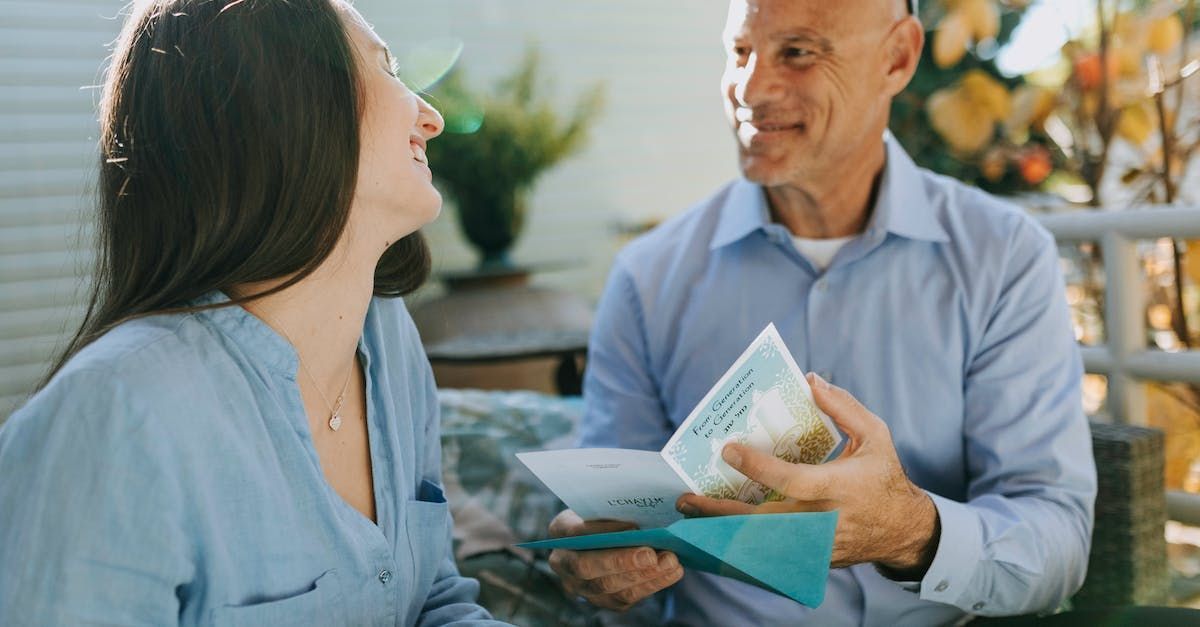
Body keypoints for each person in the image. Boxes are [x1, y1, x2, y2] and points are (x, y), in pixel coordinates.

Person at [546, 0, 1097, 625]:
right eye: (740, 52)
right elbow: (607, 518)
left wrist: (910, 533)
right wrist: (592, 560)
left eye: (798, 52)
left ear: (898, 57)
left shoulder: (1005, 257)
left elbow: (1056, 539)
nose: (750, 89)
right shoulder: (646, 277)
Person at [0, 1, 504, 624]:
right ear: (288, 110)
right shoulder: (113, 415)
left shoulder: (388, 337)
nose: (430, 117)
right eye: (389, 68)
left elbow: (431, 601)